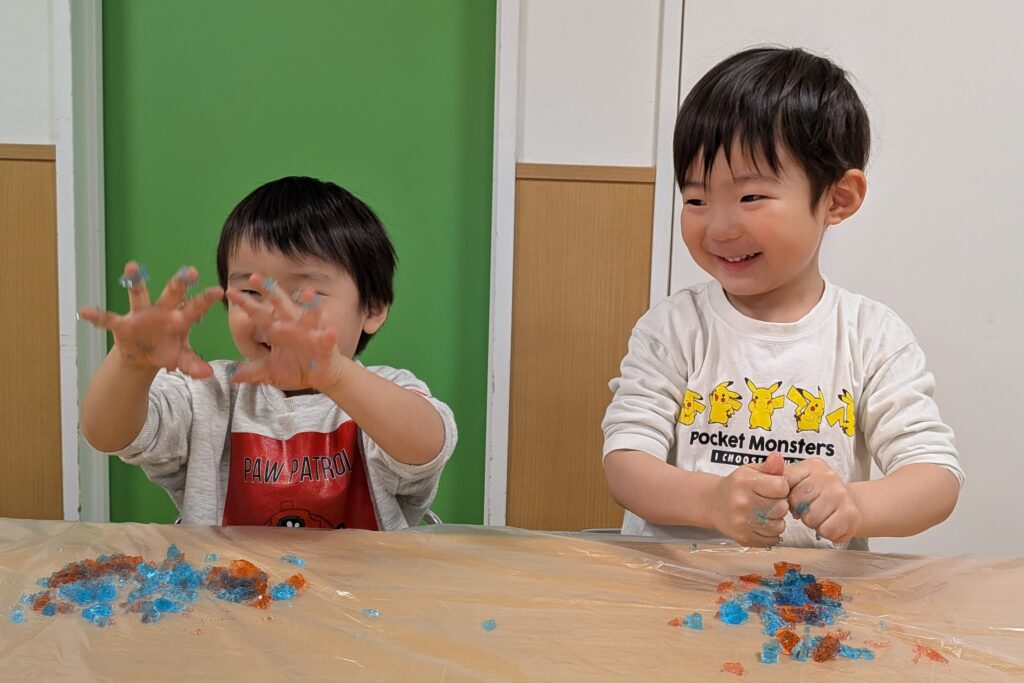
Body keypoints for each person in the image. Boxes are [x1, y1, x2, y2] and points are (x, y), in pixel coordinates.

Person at [601, 47, 962, 549]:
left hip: (811, 593)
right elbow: (625, 463)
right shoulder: (675, 327)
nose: (719, 227)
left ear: (837, 198)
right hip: (677, 584)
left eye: (750, 197)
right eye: (696, 199)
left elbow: (935, 477)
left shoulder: (871, 337)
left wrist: (857, 505)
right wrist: (709, 501)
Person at [80, 176, 457, 530]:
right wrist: (131, 364)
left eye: (304, 295)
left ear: (372, 308)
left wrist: (335, 376)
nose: (276, 313)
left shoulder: (382, 392)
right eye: (250, 293)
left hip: (361, 581)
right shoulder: (208, 394)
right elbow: (107, 435)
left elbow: (427, 447)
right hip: (226, 581)